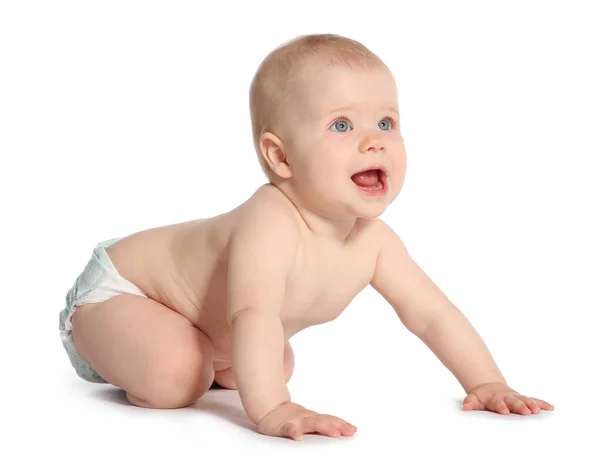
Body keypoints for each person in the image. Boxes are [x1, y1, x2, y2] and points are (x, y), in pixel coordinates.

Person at [59, 33, 554, 441]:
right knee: (178, 377)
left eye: (386, 121)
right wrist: (273, 408)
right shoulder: (271, 218)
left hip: (211, 329)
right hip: (124, 291)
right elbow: (251, 311)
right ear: (282, 158)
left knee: (274, 358)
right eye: (341, 124)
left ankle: (202, 359)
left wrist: (487, 382)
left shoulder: (375, 242)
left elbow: (431, 314)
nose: (373, 139)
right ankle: (121, 351)